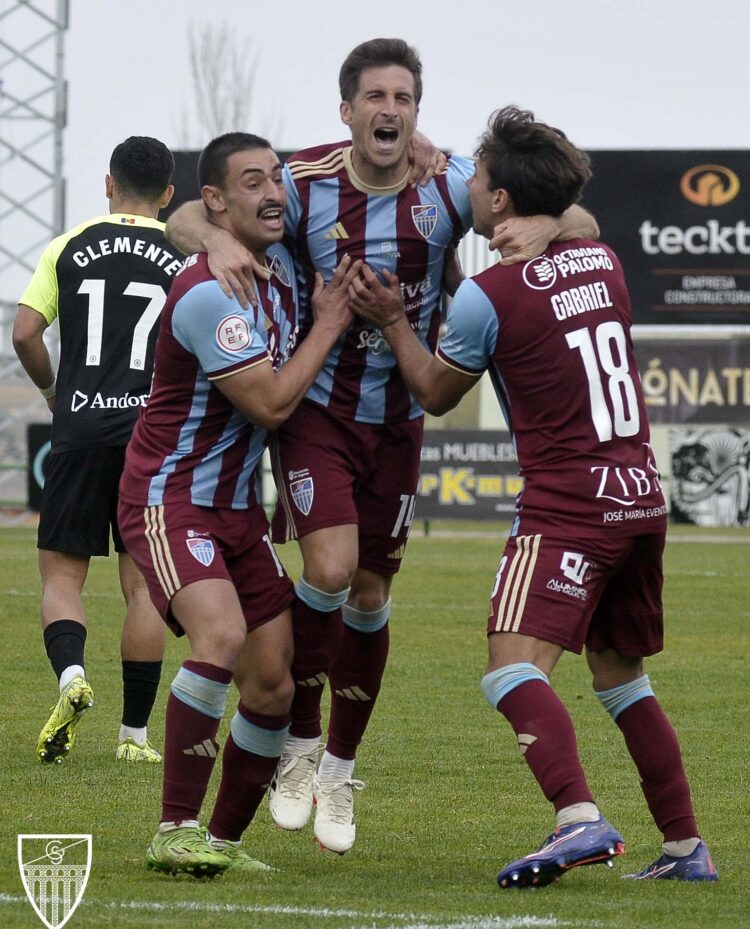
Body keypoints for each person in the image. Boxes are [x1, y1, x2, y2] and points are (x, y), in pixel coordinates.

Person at [165, 37, 598, 855]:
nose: (389, 110)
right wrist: (212, 239)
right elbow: (194, 211)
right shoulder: (304, 183)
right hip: (317, 413)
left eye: (403, 98)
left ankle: (339, 765)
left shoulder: (448, 187)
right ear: (348, 110)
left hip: (399, 417)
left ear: (417, 112)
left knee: (369, 594)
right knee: (329, 570)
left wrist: (544, 226)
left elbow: (576, 215)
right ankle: (299, 738)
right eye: (375, 97)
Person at [347, 105, 717, 887]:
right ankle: (686, 848)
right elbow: (575, 218)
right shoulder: (601, 259)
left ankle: (578, 819)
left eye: (477, 180)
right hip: (639, 497)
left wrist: (393, 319)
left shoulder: (492, 294)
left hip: (569, 504)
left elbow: (435, 392)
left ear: (501, 200)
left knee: (510, 668)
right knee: (623, 679)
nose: (468, 190)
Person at [118, 132, 358, 876]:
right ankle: (174, 827)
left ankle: (219, 841)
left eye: (277, 179)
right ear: (216, 202)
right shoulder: (208, 293)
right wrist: (329, 323)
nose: (274, 193)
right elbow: (271, 404)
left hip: (236, 512)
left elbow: (191, 216)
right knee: (219, 635)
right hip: (171, 498)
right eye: (253, 182)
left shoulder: (279, 267)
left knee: (274, 678)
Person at [13, 136, 180, 765]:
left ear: (108, 184)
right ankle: (134, 738)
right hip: (152, 439)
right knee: (144, 588)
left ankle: (72, 677)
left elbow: (25, 333)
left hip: (80, 429)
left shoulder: (69, 246)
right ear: (169, 194)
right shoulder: (185, 256)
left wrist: (54, 394)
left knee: (62, 576)